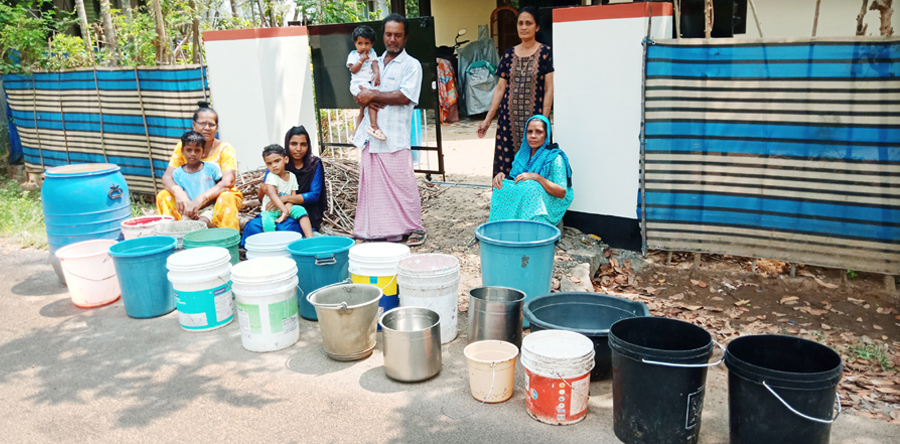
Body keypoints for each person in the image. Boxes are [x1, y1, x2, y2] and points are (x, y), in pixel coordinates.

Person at [351, 13, 426, 246]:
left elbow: (406, 96)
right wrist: (364, 98)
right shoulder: (372, 59)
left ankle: (415, 227)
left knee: (404, 185)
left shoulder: (411, 65)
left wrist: (373, 95)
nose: (392, 39)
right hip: (371, 136)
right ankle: (384, 231)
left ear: (405, 37)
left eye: (398, 35)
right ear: (382, 35)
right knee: (375, 190)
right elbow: (360, 89)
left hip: (394, 136)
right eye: (388, 34)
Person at [476, 6, 555, 177]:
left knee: (536, 163)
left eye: (528, 23)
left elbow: (549, 89)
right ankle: (506, 200)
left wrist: (543, 121)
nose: (524, 27)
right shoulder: (508, 55)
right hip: (508, 121)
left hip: (534, 122)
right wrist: (488, 119)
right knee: (506, 164)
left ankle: (532, 202)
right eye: (520, 23)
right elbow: (500, 88)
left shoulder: (545, 54)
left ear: (537, 27)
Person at [157, 101, 242, 229]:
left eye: (211, 125)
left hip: (216, 198)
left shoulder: (225, 149)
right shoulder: (183, 146)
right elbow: (167, 178)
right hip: (189, 198)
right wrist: (178, 191)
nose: (207, 128)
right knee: (164, 195)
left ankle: (226, 239)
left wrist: (202, 198)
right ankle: (176, 236)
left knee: (227, 197)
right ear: (194, 125)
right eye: (202, 123)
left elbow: (228, 182)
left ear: (217, 127)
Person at [240, 126, 326, 246]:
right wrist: (262, 189)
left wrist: (285, 199)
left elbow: (314, 195)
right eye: (293, 144)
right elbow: (263, 198)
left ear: (308, 145)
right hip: (274, 210)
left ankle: (308, 240)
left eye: (303, 144)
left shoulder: (314, 164)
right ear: (287, 144)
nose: (298, 149)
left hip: (303, 211)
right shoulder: (276, 162)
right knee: (253, 226)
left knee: (286, 228)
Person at [490, 115, 573, 226]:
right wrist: (502, 176)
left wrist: (536, 177)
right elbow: (515, 179)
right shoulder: (522, 155)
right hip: (529, 193)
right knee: (501, 186)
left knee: (532, 186)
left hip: (551, 199)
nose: (533, 136)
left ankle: (531, 228)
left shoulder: (554, 158)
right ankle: (502, 226)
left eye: (539, 132)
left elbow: (562, 193)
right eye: (529, 132)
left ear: (546, 134)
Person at [259, 145, 314, 238]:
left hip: (286, 206)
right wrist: (283, 209)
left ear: (286, 159)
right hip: (271, 210)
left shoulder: (292, 176)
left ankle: (310, 237)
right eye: (269, 163)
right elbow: (272, 195)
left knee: (301, 210)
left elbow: (293, 194)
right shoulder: (271, 177)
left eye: (277, 161)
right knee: (267, 221)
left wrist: (288, 207)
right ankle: (273, 242)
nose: (274, 165)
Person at [171, 131, 222, 228]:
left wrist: (201, 205)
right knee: (186, 226)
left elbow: (220, 188)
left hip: (209, 208)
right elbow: (181, 197)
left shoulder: (212, 168)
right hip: (189, 211)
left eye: (197, 150)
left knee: (202, 222)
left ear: (203, 152)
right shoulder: (178, 174)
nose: (193, 154)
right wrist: (190, 211)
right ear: (182, 151)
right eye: (189, 150)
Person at [348, 25, 385, 141]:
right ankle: (373, 127)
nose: (363, 46)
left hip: (367, 84)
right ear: (355, 43)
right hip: (357, 85)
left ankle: (355, 135)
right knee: (373, 100)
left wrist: (377, 74)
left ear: (372, 44)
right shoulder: (353, 55)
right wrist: (361, 60)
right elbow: (353, 69)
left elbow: (375, 65)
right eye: (360, 43)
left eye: (367, 43)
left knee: (362, 112)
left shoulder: (372, 53)